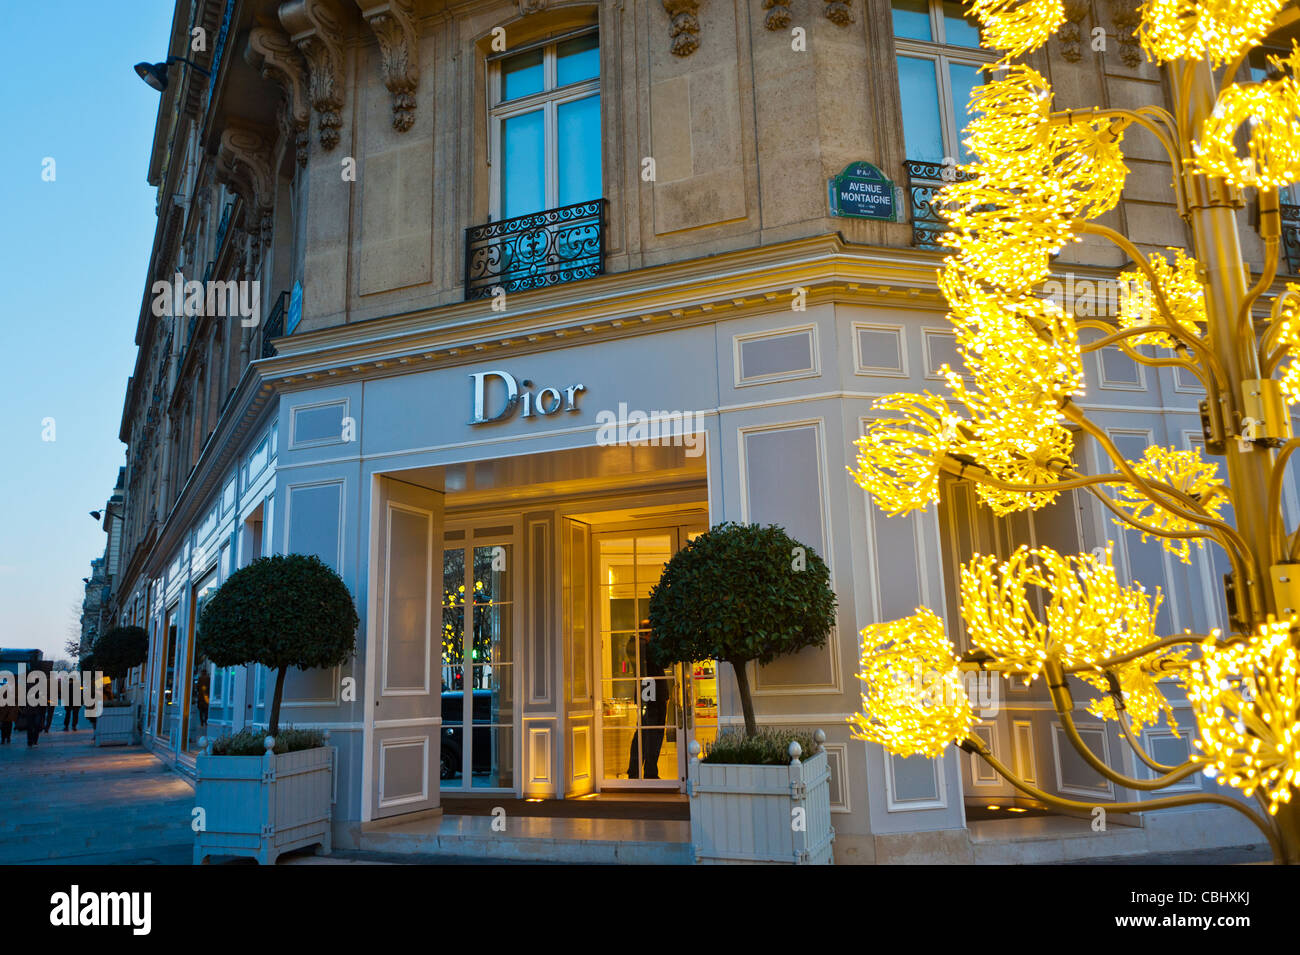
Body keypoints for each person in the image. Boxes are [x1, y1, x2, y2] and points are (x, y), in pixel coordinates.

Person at [625, 621, 671, 780]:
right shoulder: (643, 647)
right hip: (652, 691)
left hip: (647, 690)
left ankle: (637, 770)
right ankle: (647, 772)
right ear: (648, 633)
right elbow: (664, 661)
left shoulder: (634, 645)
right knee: (652, 732)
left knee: (644, 732)